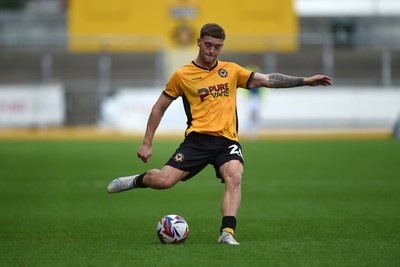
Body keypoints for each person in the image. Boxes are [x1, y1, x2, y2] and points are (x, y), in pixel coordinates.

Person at [107, 23, 332, 245]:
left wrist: (305, 81)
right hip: (197, 141)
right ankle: (135, 181)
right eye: (208, 45)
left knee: (234, 177)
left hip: (227, 142)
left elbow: (268, 80)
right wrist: (147, 143)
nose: (212, 50)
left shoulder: (231, 70)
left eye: (217, 46)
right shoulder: (182, 75)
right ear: (198, 42)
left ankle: (227, 233)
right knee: (164, 181)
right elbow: (159, 108)